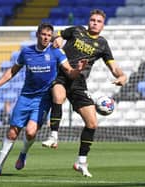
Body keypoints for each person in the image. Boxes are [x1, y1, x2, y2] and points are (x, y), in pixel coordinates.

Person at [0, 23, 88, 177]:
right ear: (38, 35)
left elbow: (70, 73)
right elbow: (12, 71)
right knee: (12, 133)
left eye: (49, 35)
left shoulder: (56, 52)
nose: (46, 38)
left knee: (31, 132)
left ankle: (23, 153)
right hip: (25, 96)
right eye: (43, 34)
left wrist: (78, 69)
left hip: (43, 99)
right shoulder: (26, 52)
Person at [42, 9, 127, 177]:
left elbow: (113, 66)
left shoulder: (102, 44)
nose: (95, 23)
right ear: (89, 21)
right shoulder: (76, 30)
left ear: (103, 25)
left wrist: (122, 75)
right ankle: (53, 136)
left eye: (98, 21)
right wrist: (57, 38)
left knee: (92, 123)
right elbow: (56, 35)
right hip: (62, 74)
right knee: (58, 96)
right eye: (93, 20)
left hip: (79, 83)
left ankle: (81, 161)